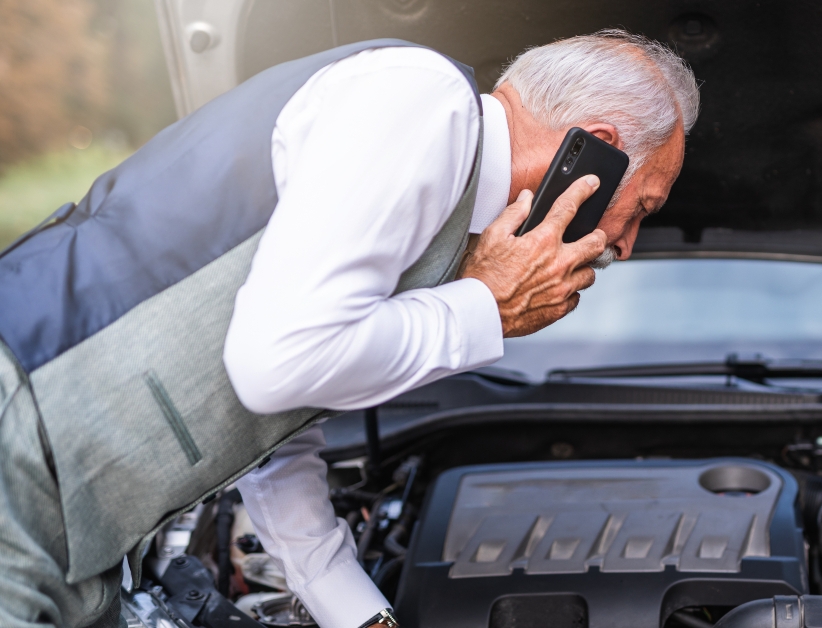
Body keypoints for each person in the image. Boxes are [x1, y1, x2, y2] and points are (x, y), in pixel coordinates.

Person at [0, 29, 699, 628]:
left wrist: (362, 615)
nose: (627, 244)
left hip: (81, 530)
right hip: (21, 448)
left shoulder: (436, 211)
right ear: (596, 155)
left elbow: (275, 431)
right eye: (638, 208)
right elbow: (276, 363)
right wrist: (482, 306)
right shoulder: (420, 102)